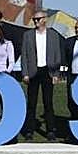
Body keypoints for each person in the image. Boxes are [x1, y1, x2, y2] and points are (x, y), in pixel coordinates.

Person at [20, 11, 62, 140]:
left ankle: (50, 131)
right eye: (34, 19)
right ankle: (29, 131)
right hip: (33, 71)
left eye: (38, 19)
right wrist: (25, 73)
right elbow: (24, 55)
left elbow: (57, 55)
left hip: (48, 71)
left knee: (48, 103)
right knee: (31, 103)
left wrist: (56, 74)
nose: (36, 21)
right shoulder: (28, 35)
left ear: (45, 19)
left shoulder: (53, 35)